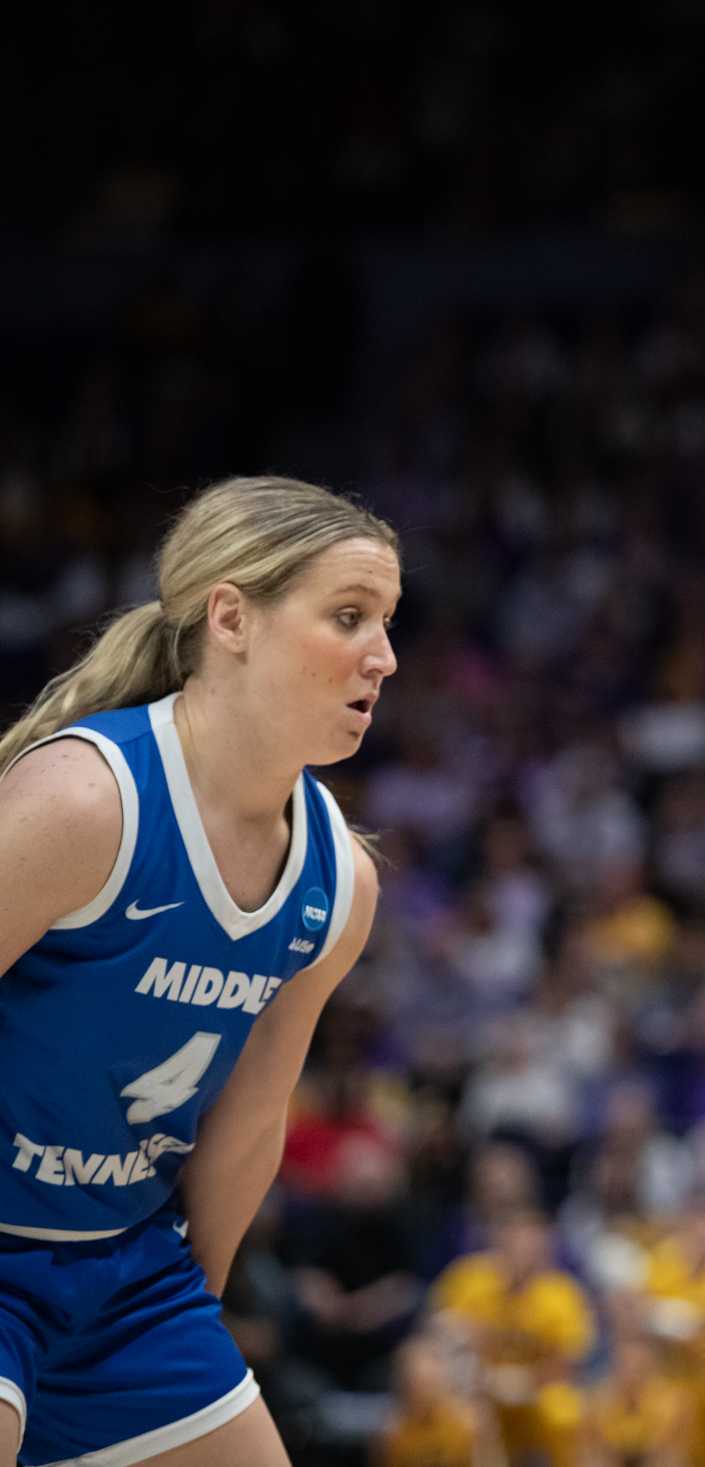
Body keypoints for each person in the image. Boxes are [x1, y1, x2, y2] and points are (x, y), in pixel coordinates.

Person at [0, 476, 398, 1467]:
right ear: (231, 617)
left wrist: (193, 1314)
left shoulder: (336, 881)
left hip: (129, 1275)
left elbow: (255, 1116)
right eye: (349, 618)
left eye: (387, 624)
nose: (383, 658)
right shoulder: (86, 802)